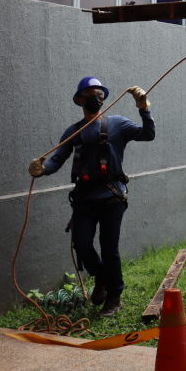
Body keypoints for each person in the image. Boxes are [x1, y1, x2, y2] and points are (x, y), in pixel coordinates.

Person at [29, 77, 155, 317]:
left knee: (109, 249)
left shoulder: (118, 124)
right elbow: (56, 159)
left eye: (98, 92)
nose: (94, 96)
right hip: (84, 197)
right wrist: (41, 169)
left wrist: (144, 108)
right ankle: (102, 279)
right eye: (89, 93)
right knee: (83, 244)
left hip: (112, 194)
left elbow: (148, 134)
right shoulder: (73, 132)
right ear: (80, 100)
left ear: (104, 97)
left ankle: (114, 296)